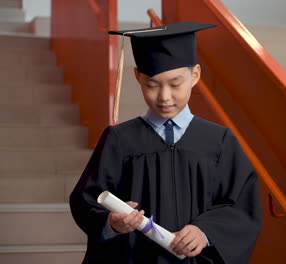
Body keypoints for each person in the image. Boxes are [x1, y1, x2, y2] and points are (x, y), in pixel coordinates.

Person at [69, 21, 262, 264]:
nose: (164, 97)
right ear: (138, 77)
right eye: (151, 84)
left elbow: (241, 206)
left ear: (195, 76)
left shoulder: (219, 141)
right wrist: (111, 223)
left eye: (175, 84)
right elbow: (85, 200)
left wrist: (205, 232)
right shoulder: (119, 139)